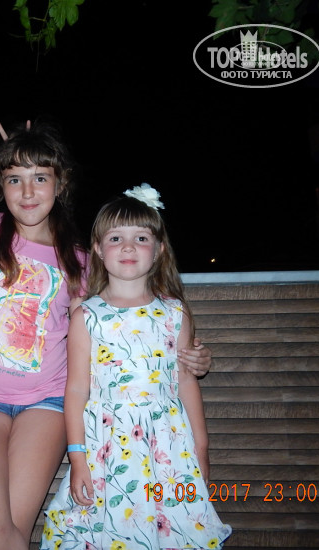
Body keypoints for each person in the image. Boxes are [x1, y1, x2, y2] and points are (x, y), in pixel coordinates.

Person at [0, 121, 214, 550]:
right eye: (14, 179)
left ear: (61, 183)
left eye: (40, 178)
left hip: (47, 402)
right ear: (0, 184)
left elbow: (127, 320)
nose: (27, 192)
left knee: (10, 526)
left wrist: (192, 355)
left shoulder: (82, 261)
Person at [40, 185, 231, 549]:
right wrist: (77, 458)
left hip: (169, 449)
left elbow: (186, 382)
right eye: (116, 238)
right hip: (105, 448)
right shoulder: (86, 316)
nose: (128, 247)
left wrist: (202, 449)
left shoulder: (174, 312)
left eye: (141, 238)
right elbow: (77, 390)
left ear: (159, 250)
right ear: (98, 249)